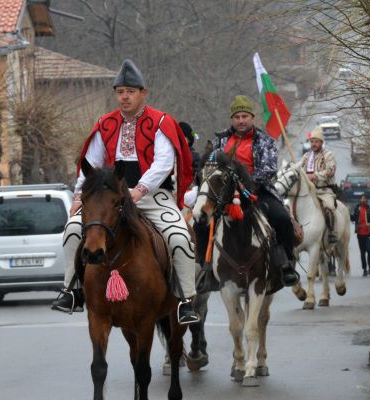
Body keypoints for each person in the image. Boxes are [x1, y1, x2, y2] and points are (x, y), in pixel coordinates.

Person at [51, 59, 200, 325]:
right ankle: (70, 290)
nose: (125, 97)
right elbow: (90, 166)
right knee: (73, 230)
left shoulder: (161, 122)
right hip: (108, 199)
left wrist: (140, 190)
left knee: (179, 238)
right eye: (120, 92)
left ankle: (186, 300)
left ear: (143, 93)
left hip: (154, 196)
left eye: (130, 91)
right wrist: (77, 198)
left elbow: (164, 163)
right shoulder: (105, 124)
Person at [209, 95, 299, 286]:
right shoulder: (220, 140)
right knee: (202, 218)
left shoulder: (264, 140)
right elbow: (211, 164)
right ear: (232, 119)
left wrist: (245, 184)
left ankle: (287, 261)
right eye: (237, 117)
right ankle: (205, 264)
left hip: (258, 190)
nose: (241, 120)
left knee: (281, 218)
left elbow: (269, 168)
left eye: (245, 116)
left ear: (252, 117)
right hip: (225, 192)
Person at [299, 127, 338, 244]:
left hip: (324, 190)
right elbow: (300, 171)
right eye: (312, 141)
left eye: (316, 141)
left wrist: (314, 176)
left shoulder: (328, 155)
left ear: (321, 142)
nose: (314, 144)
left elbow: (331, 171)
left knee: (330, 207)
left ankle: (332, 232)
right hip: (309, 191)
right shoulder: (306, 156)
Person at [350, 194, 370, 276]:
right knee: (362, 252)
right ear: (360, 200)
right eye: (362, 199)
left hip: (368, 233)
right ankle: (364, 269)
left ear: (367, 200)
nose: (363, 200)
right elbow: (352, 218)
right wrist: (348, 214)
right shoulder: (357, 209)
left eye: (365, 199)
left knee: (369, 250)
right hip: (360, 234)